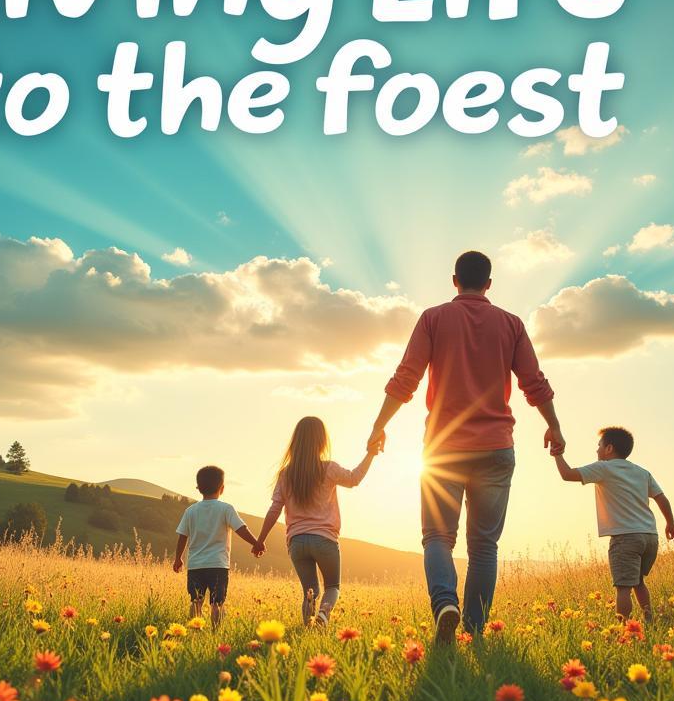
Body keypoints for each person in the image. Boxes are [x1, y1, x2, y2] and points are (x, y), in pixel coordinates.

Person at [367, 250, 564, 644]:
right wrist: (553, 426)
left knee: (437, 537)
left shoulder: (434, 318)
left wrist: (379, 425)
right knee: (484, 545)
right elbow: (534, 382)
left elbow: (406, 377)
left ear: (454, 280)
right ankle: (473, 630)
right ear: (489, 284)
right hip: (496, 448)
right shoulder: (511, 324)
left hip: (443, 449)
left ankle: (445, 604)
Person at [254, 416, 379, 625]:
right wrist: (370, 454)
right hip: (325, 540)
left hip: (296, 542)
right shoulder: (328, 468)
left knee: (310, 591)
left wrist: (260, 540)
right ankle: (323, 616)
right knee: (332, 587)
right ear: (322, 442)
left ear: (296, 442)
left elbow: (274, 509)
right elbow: (354, 478)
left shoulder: (286, 474)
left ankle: (308, 629)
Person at [552, 425, 674, 623]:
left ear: (609, 448)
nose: (596, 450)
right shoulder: (642, 472)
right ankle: (649, 620)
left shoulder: (604, 468)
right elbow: (661, 498)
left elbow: (567, 474)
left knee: (623, 587)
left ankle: (624, 631)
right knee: (638, 582)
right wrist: (670, 523)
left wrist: (557, 454)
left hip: (625, 538)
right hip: (649, 536)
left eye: (599, 445)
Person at [172, 465, 262, 628]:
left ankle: (194, 631)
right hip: (218, 565)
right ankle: (216, 631)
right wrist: (256, 543)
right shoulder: (226, 509)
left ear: (198, 488)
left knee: (195, 601)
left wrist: (178, 558)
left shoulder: (190, 511)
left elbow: (182, 536)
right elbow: (241, 528)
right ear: (222, 488)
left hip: (196, 566)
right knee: (217, 602)